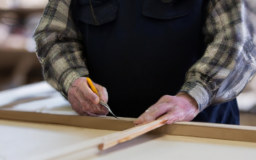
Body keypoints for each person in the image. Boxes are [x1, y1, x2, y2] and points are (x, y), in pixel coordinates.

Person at [34, 0, 256, 125]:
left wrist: (190, 99)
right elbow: (54, 37)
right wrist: (73, 80)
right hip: (106, 131)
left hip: (198, 130)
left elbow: (239, 40)